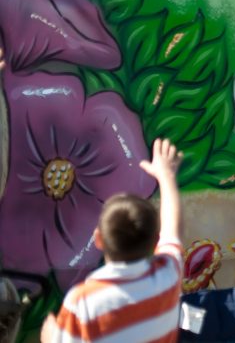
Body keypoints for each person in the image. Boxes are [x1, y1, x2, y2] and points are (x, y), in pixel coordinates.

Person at [41, 139, 183, 343]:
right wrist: (167, 176)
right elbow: (173, 226)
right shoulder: (167, 275)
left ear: (98, 239)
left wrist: (50, 337)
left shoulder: (82, 301)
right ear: (155, 241)